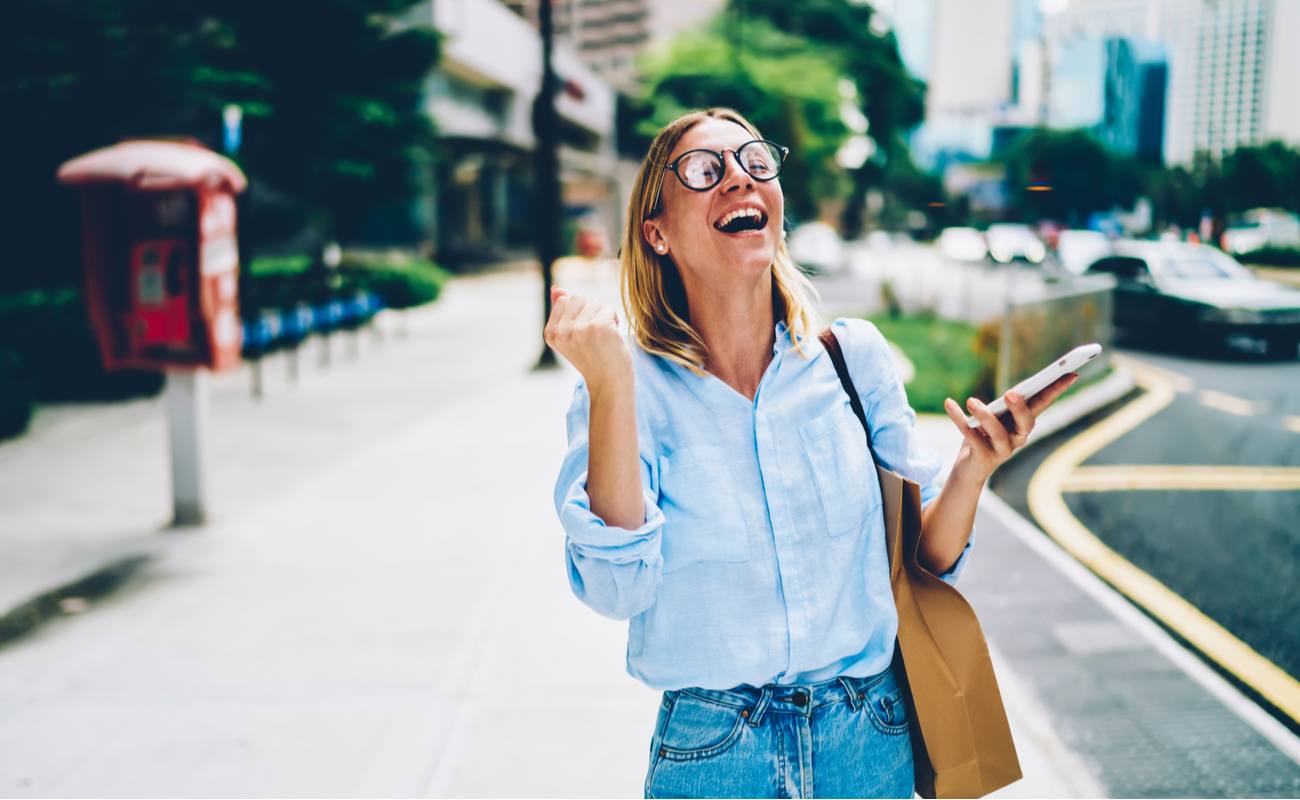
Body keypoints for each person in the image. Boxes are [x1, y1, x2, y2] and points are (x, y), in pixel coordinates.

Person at [547, 108, 1076, 799]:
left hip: (868, 740)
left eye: (755, 162)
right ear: (657, 232)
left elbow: (923, 560)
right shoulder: (625, 389)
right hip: (715, 754)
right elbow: (618, 590)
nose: (739, 178)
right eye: (705, 170)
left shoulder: (851, 359)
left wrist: (974, 467)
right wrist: (612, 384)